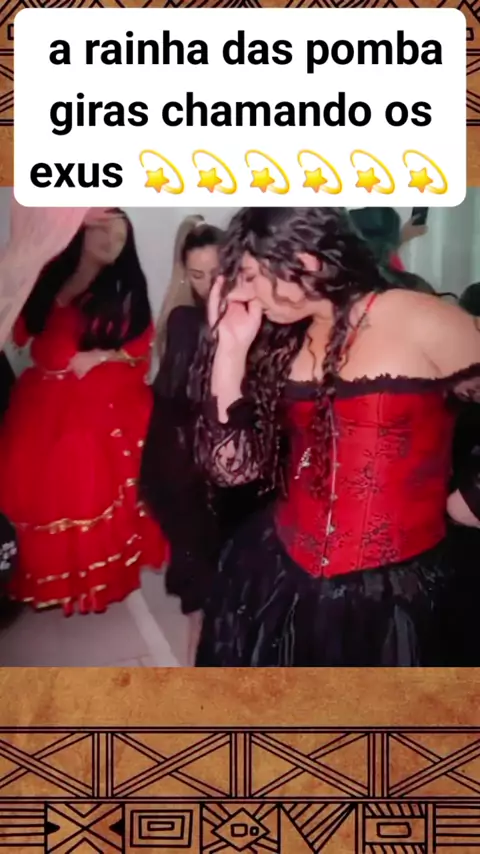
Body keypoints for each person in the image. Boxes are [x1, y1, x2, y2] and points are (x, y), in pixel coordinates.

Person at [190, 207, 480, 667]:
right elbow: (232, 470)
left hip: (401, 591)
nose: (243, 292)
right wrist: (230, 349)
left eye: (250, 275)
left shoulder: (416, 317)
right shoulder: (282, 336)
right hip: (281, 570)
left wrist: (474, 494)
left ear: (305, 260)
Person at [0, 208, 165, 615]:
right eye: (104, 232)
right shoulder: (50, 276)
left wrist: (101, 356)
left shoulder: (123, 288)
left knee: (79, 472)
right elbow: (19, 331)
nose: (111, 243)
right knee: (32, 485)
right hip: (39, 397)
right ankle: (49, 580)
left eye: (120, 238)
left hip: (91, 399)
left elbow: (141, 344)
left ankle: (89, 583)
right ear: (80, 232)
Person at [140, 216, 257, 664]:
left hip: (207, 458)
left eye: (217, 272)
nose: (210, 285)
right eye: (197, 275)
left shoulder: (245, 315)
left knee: (218, 568)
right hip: (183, 462)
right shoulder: (187, 319)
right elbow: (190, 399)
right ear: (184, 275)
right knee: (203, 578)